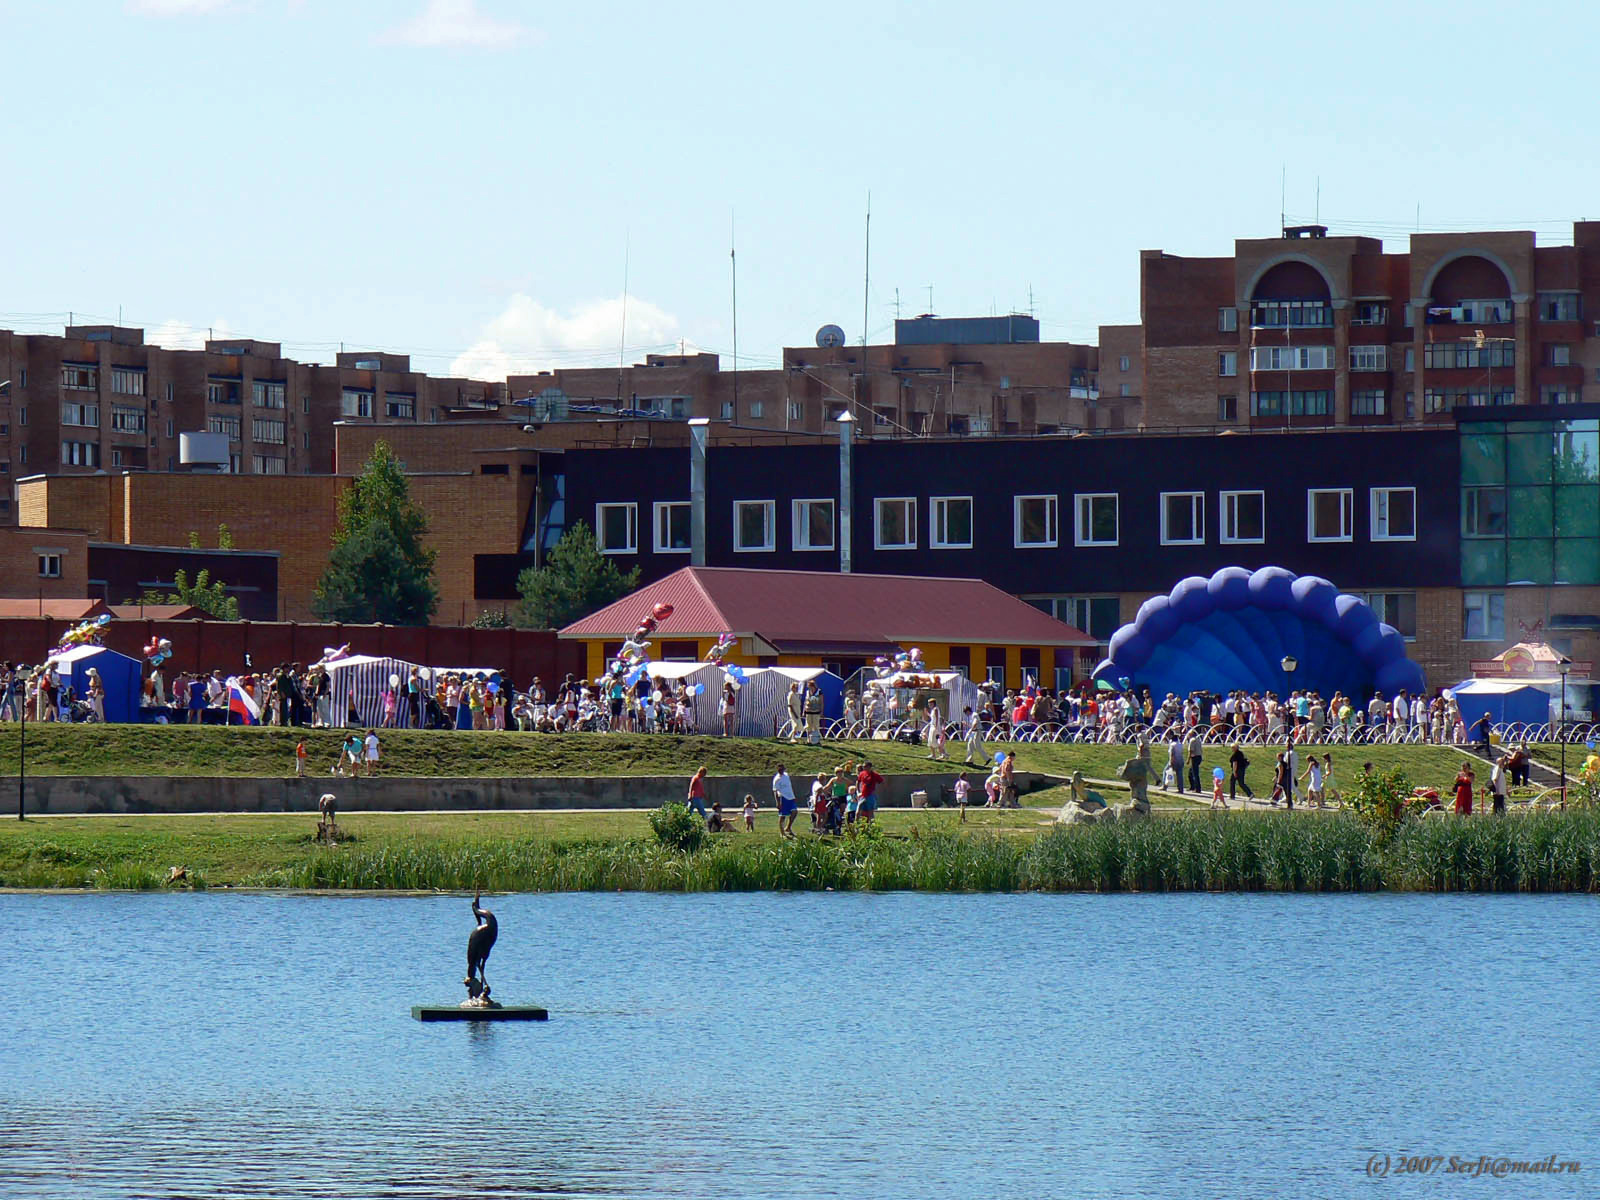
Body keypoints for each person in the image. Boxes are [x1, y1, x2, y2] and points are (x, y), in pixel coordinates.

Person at [772, 764, 797, 838]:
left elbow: (789, 787)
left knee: (794, 812)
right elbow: (775, 791)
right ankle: (782, 833)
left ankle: (788, 828)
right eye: (779, 769)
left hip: (790, 797)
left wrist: (793, 796)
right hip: (783, 798)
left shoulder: (786, 775)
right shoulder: (777, 779)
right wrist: (778, 802)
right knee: (782, 816)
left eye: (782, 769)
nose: (781, 771)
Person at [856, 759, 884, 824]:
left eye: (865, 766)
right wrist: (858, 791)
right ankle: (856, 824)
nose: (864, 768)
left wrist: (875, 791)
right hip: (863, 795)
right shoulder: (862, 773)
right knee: (858, 811)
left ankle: (871, 825)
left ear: (869, 767)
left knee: (870, 812)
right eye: (863, 766)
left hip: (870, 795)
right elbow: (858, 782)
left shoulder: (874, 775)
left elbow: (881, 782)